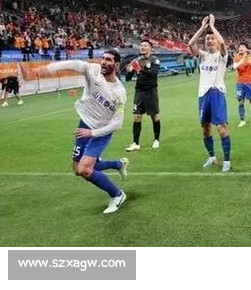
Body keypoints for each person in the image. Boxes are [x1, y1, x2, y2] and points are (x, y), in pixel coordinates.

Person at [33, 51, 129, 214]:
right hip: (84, 125)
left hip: (101, 132)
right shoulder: (93, 71)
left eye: (109, 60)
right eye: (103, 58)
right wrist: (50, 68)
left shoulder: (119, 92)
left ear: (117, 65)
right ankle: (118, 164)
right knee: (78, 169)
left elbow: (117, 123)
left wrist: (92, 133)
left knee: (84, 169)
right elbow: (75, 64)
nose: (103, 62)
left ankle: (117, 194)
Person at [188, 14, 231, 172]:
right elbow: (190, 44)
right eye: (207, 39)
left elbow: (223, 43)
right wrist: (202, 28)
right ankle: (212, 157)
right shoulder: (202, 56)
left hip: (216, 93)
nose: (210, 40)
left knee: (221, 127)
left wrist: (212, 26)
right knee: (205, 128)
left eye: (212, 38)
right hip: (203, 95)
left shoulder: (222, 56)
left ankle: (227, 160)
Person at [125, 40, 162, 152]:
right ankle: (135, 143)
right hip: (139, 91)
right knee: (137, 116)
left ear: (150, 48)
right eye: (141, 45)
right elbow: (128, 78)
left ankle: (156, 139)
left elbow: (153, 74)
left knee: (154, 116)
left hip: (151, 91)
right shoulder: (136, 60)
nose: (142, 47)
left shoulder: (154, 60)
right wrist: (130, 71)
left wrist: (139, 69)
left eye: (145, 45)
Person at [233, 43, 251, 127]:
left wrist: (249, 58)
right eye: (240, 47)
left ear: (246, 49)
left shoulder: (250, 56)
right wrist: (243, 58)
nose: (241, 48)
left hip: (249, 82)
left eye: (243, 47)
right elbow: (235, 67)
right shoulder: (236, 57)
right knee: (240, 102)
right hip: (240, 83)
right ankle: (242, 120)